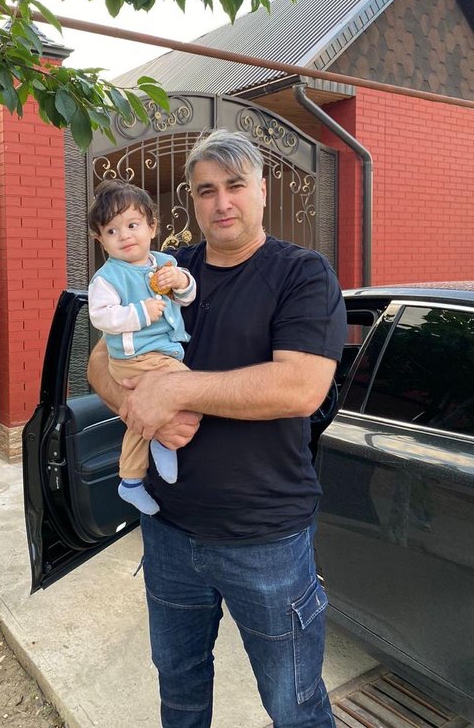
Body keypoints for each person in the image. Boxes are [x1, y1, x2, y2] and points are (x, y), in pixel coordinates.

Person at [88, 130, 347, 728]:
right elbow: (102, 359)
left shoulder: (301, 274)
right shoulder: (164, 269)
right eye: (207, 190)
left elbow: (299, 388)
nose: (222, 202)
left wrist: (178, 390)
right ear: (192, 200)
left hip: (266, 538)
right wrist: (138, 409)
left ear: (262, 190)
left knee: (295, 705)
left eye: (235, 185)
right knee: (178, 689)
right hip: (169, 530)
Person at [88, 179, 197, 516]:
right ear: (100, 240)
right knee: (187, 386)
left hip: (160, 352)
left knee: (142, 414)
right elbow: (101, 316)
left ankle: (131, 479)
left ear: (152, 226)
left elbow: (188, 297)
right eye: (112, 231)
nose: (124, 236)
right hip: (135, 357)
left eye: (132, 225)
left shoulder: (164, 263)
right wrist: (140, 312)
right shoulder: (108, 277)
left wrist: (181, 280)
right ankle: (164, 441)